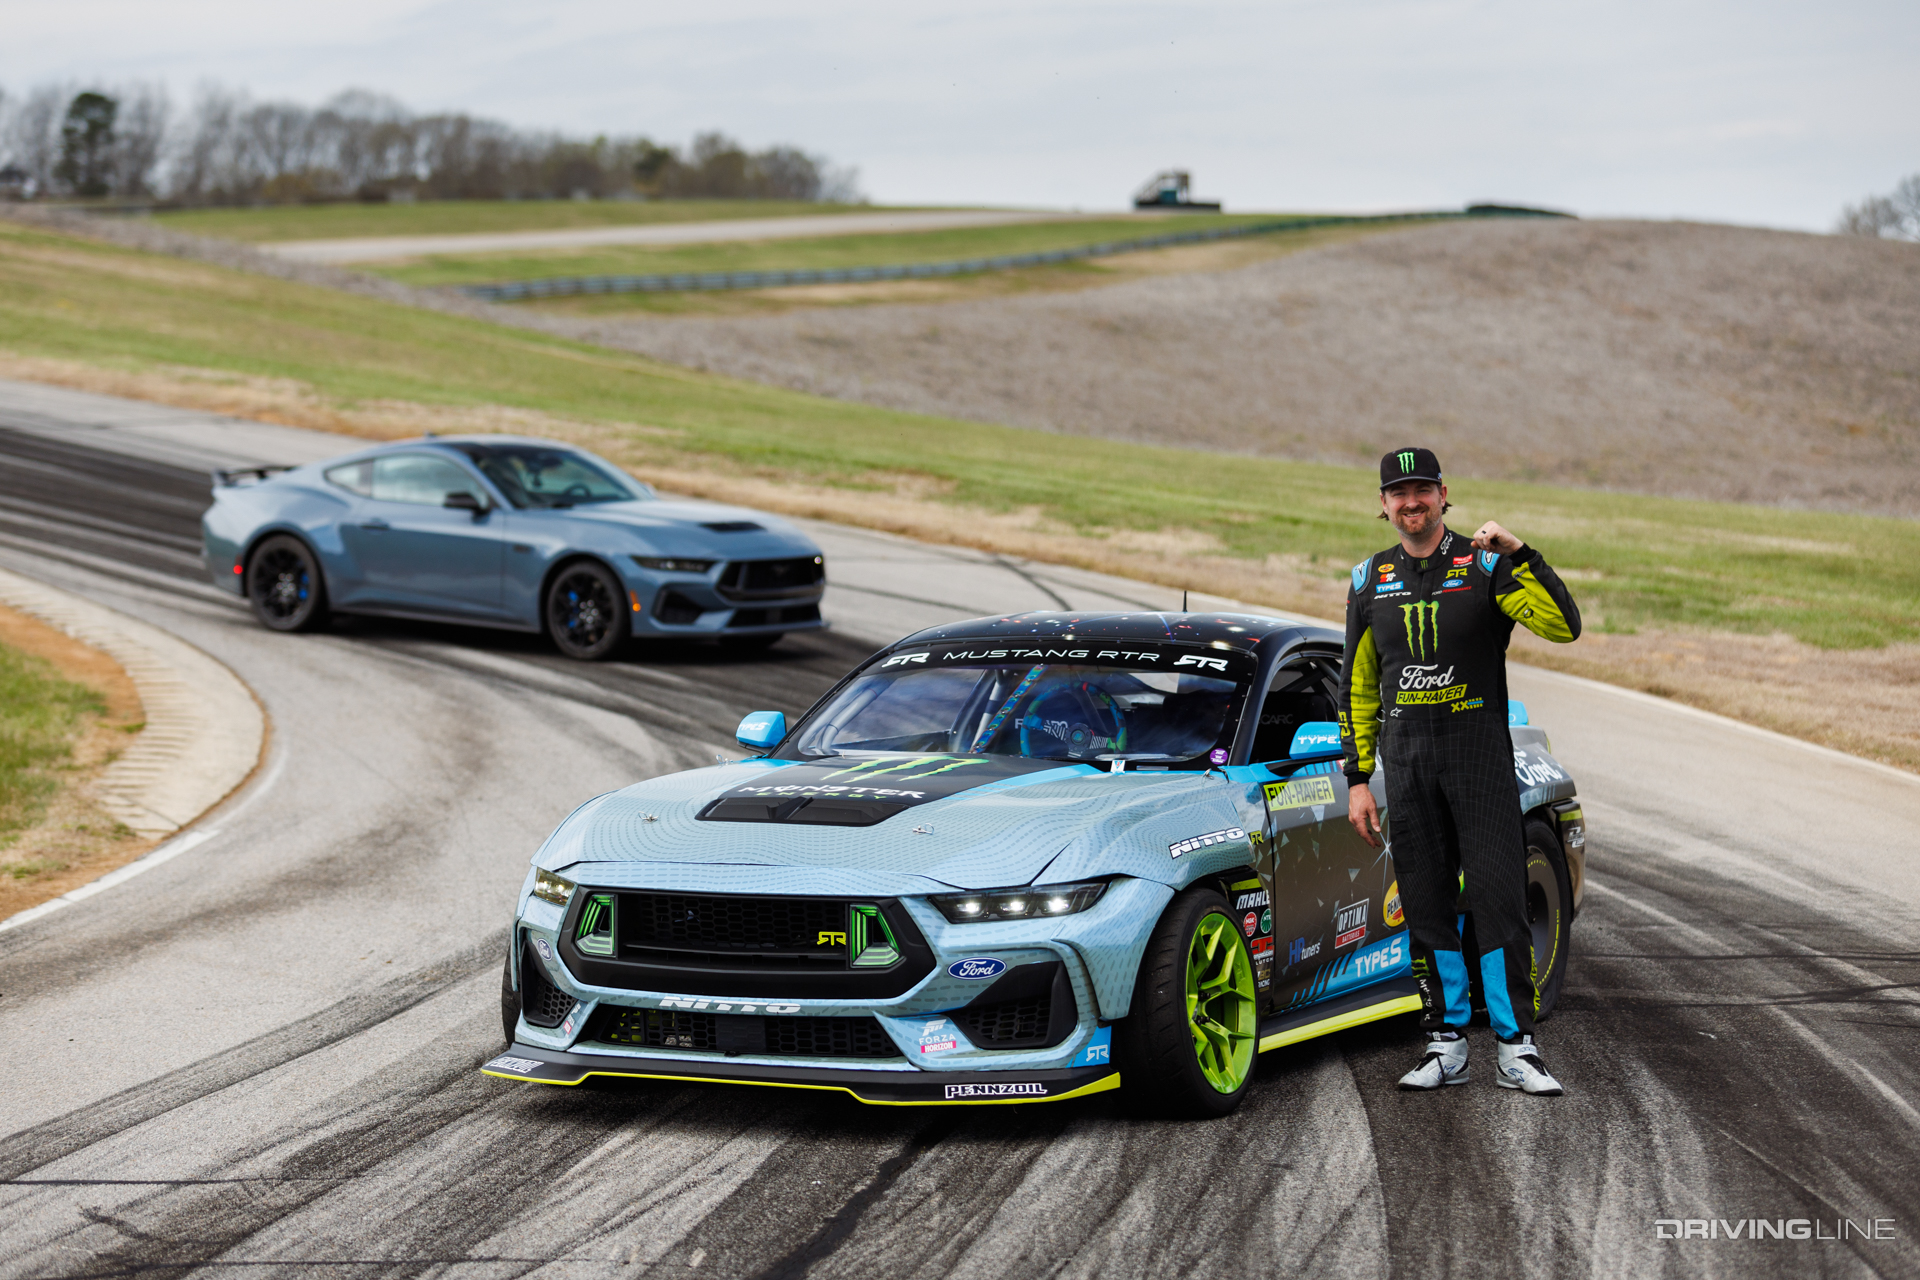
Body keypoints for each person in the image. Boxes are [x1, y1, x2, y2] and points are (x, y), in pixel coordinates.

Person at [1338, 446, 1581, 1095]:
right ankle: (1445, 1045)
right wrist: (1358, 778)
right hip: (1408, 767)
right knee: (1426, 905)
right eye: (1399, 493)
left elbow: (1564, 627)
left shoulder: (1486, 566)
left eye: (1423, 491)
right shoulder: (1369, 581)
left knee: (1499, 901)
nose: (1411, 503)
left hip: (1478, 762)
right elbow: (1358, 687)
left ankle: (1514, 1047)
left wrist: (1521, 550)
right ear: (1384, 503)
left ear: (1444, 495)